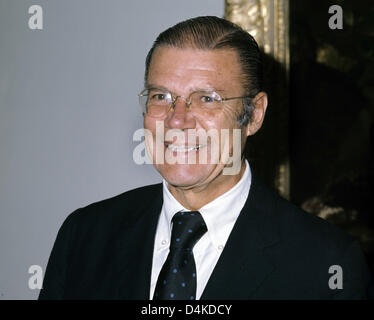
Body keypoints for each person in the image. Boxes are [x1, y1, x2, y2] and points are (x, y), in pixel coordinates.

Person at [39, 16, 373, 300]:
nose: (177, 119)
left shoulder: (326, 264)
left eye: (207, 99)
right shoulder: (84, 236)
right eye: (161, 96)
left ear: (254, 115)